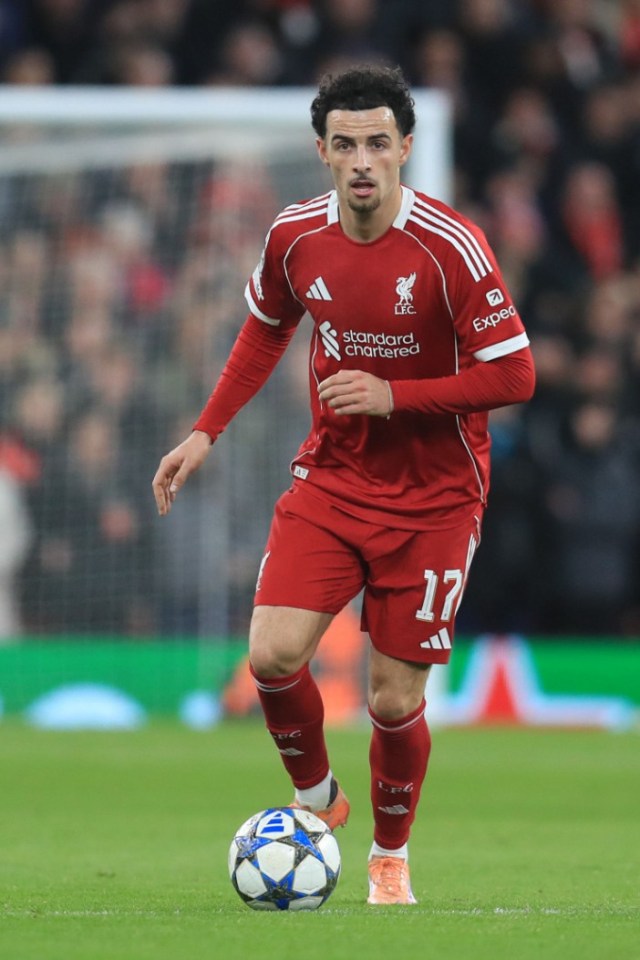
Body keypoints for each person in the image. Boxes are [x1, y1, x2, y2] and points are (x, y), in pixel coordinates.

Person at [152, 65, 535, 905]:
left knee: (394, 701)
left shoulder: (451, 247)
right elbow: (264, 330)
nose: (362, 160)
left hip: (436, 498)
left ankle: (389, 855)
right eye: (344, 144)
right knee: (271, 655)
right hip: (333, 479)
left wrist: (397, 395)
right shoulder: (295, 237)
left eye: (376, 143)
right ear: (321, 153)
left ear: (404, 148)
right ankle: (320, 799)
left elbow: (516, 375)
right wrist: (205, 430)